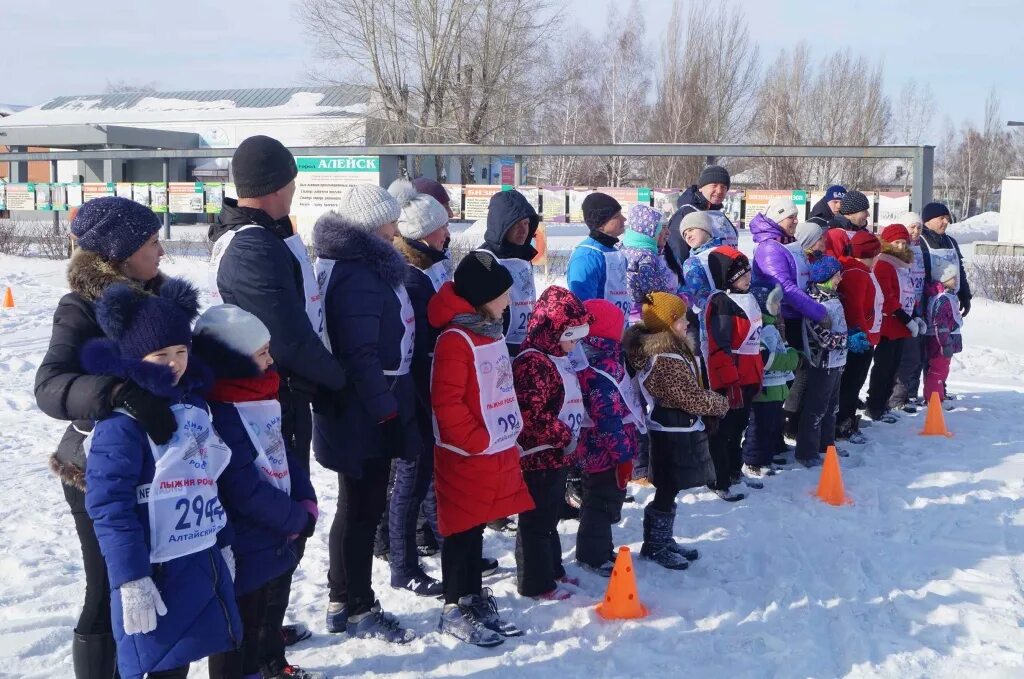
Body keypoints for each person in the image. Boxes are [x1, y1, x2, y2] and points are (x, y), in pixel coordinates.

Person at [210, 135, 345, 652]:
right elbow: (287, 337)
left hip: (277, 392)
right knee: (279, 518)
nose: (294, 191)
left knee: (288, 513)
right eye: (291, 181)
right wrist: (339, 382)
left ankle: (265, 628)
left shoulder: (262, 236)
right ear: (277, 186)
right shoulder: (252, 246)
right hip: (269, 398)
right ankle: (259, 648)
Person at [34, 196, 175, 679]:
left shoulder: (161, 297)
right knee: (109, 585)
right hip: (96, 470)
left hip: (164, 465)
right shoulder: (81, 306)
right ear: (120, 251)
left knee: (166, 586)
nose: (162, 251)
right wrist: (117, 391)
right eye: (152, 242)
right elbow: (49, 386)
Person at [81, 278, 241, 679]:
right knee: (156, 662)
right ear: (135, 357)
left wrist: (221, 543)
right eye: (160, 354)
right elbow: (109, 507)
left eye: (180, 351)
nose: (174, 362)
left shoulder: (194, 405)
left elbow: (206, 480)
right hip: (154, 568)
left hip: (196, 559)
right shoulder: (122, 424)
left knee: (179, 659)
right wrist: (131, 579)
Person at [193, 306, 321, 679]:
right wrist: (295, 517)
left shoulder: (258, 394)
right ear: (233, 361)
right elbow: (242, 488)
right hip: (247, 540)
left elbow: (279, 447)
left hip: (276, 531)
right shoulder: (220, 411)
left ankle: (267, 666)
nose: (271, 358)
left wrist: (305, 497)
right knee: (241, 632)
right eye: (262, 352)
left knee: (266, 614)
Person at [312, 187, 416, 644]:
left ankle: (345, 599)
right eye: (391, 222)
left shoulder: (362, 266)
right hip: (361, 408)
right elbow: (359, 352)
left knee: (357, 506)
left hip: (363, 404)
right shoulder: (357, 273)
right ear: (373, 227)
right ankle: (356, 606)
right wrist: (386, 413)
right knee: (360, 509)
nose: (398, 231)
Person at [429, 251, 534, 647]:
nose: (509, 301)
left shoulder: (487, 330)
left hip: (490, 448)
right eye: (502, 294)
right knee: (460, 530)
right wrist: (476, 441)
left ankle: (472, 597)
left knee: (475, 528)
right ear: (481, 298)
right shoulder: (456, 339)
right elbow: (447, 402)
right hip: (465, 454)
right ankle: (454, 606)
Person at [624, 292, 728, 569]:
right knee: (668, 486)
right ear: (667, 323)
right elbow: (685, 396)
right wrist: (718, 403)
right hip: (672, 428)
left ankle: (662, 538)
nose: (686, 323)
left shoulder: (670, 348)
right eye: (680, 319)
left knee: (671, 487)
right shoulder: (664, 356)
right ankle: (655, 544)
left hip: (677, 425)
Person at [384, 178, 451, 596]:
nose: (448, 235)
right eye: (442, 229)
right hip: (412, 397)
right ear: (424, 234)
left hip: (423, 394)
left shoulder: (421, 273)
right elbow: (421, 345)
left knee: (426, 475)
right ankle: (402, 564)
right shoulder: (411, 281)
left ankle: (442, 544)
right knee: (410, 480)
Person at [513, 286, 593, 600]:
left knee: (550, 516)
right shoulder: (532, 363)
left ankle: (553, 569)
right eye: (570, 338)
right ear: (553, 331)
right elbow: (531, 414)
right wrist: (563, 436)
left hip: (557, 454)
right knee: (535, 521)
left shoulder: (555, 355)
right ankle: (536, 581)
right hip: (538, 456)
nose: (574, 347)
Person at [573, 300, 641, 576]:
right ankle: (592, 555)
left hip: (602, 447)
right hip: (605, 450)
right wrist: (622, 455)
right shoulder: (602, 367)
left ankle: (601, 548)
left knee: (605, 500)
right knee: (600, 502)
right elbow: (608, 420)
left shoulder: (601, 358)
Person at [702, 246, 764, 501]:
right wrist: (729, 382)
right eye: (740, 275)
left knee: (738, 427)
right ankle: (719, 478)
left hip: (749, 374)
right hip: (731, 379)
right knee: (723, 431)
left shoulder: (748, 297)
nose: (746, 277)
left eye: (747, 272)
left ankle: (735, 471)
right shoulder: (721, 302)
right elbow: (720, 344)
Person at [865, 224, 926, 423]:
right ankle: (875, 406)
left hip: (901, 325)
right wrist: (905, 318)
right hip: (888, 324)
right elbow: (887, 296)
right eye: (896, 242)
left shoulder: (902, 265)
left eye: (903, 242)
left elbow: (909, 293)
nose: (900, 246)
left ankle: (884, 404)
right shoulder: (884, 263)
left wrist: (914, 316)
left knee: (894, 367)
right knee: (884, 367)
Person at [740, 285, 800, 478]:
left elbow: (783, 348)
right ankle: (753, 461)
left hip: (777, 388)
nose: (778, 306)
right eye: (774, 303)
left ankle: (766, 457)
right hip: (765, 390)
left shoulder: (771, 327)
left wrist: (793, 354)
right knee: (759, 428)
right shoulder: (760, 329)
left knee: (771, 425)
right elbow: (766, 359)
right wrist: (792, 359)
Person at [795, 256, 849, 467]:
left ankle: (826, 444)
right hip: (823, 363)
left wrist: (847, 338)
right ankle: (806, 452)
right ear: (826, 278)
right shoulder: (816, 303)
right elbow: (821, 337)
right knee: (816, 408)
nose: (840, 279)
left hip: (837, 362)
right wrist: (845, 340)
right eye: (837, 275)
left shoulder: (834, 299)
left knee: (832, 407)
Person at [478, 188, 541, 356]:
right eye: (516, 224)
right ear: (502, 226)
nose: (523, 230)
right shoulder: (483, 259)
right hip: (496, 347)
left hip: (525, 345)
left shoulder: (524, 255)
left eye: (526, 224)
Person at [836, 230, 883, 443]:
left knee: (849, 383)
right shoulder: (858, 273)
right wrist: (863, 334)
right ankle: (843, 424)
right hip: (858, 339)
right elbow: (855, 309)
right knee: (851, 383)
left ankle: (844, 420)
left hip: (856, 335)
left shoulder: (851, 269)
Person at [665, 165, 739, 280]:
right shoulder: (687, 213)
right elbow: (677, 254)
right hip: (698, 286)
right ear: (701, 187)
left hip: (724, 285)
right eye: (714, 185)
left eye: (723, 187)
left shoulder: (720, 215)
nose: (719, 191)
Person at [566, 192, 630, 314]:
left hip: (619, 330)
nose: (624, 219)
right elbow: (583, 306)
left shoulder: (614, 251)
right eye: (617, 216)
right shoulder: (586, 256)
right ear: (600, 224)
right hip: (599, 331)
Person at [890, 211, 928, 411]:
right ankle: (896, 398)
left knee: (915, 356)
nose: (916, 231)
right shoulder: (899, 250)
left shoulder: (921, 249)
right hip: (901, 311)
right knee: (903, 357)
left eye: (919, 227)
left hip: (917, 305)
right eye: (912, 227)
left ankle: (908, 394)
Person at [621, 204, 678, 323]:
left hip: (625, 314)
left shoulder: (622, 249)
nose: (668, 232)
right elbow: (655, 291)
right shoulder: (645, 257)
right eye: (662, 228)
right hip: (646, 317)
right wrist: (673, 303)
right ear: (649, 230)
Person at [919, 202, 972, 318]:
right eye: (941, 218)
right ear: (929, 220)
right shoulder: (920, 241)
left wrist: (965, 295)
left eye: (947, 218)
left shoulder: (951, 241)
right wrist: (941, 285)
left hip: (950, 303)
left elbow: (960, 271)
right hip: (928, 305)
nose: (946, 222)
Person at [923, 262, 964, 403]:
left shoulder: (948, 297)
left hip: (944, 341)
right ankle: (934, 400)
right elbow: (940, 324)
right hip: (940, 342)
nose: (956, 280)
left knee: (942, 370)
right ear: (944, 280)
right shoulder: (942, 299)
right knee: (938, 371)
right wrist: (945, 343)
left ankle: (937, 397)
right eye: (953, 277)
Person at [823, 190, 871, 259]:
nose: (868, 214)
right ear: (850, 213)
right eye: (864, 211)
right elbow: (832, 265)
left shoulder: (864, 231)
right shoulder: (836, 234)